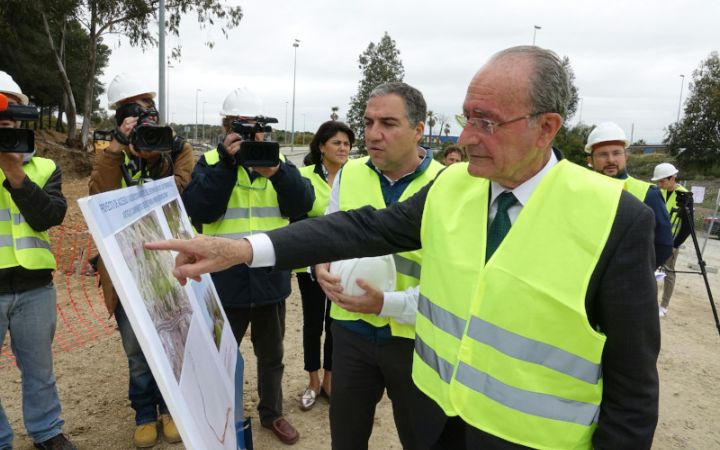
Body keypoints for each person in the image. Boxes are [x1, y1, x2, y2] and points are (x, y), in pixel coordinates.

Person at [149, 46, 661, 449]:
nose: (466, 136)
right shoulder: (454, 187)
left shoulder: (617, 218)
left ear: (546, 127)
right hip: (443, 426)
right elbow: (357, 229)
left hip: (535, 443)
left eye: (486, 122)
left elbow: (633, 386)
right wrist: (242, 248)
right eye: (466, 117)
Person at [181, 87, 313, 446]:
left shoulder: (278, 163)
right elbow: (202, 211)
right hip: (225, 281)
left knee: (272, 355)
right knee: (221, 356)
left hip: (270, 279)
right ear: (226, 127)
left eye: (256, 126)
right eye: (241, 125)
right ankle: (221, 414)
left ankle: (273, 414)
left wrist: (275, 170)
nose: (250, 133)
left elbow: (302, 203)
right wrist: (227, 163)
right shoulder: (210, 163)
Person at [89, 73, 194, 448]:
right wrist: (118, 149)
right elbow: (98, 194)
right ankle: (144, 413)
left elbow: (180, 193)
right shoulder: (110, 156)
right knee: (136, 350)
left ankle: (172, 408)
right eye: (133, 110)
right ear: (120, 119)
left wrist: (158, 156)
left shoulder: (176, 149)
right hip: (124, 269)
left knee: (172, 338)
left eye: (148, 108)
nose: (143, 116)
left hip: (168, 264)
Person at [0, 72, 76, 450]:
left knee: (39, 370)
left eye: (8, 115)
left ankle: (47, 432)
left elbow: (49, 217)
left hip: (34, 287)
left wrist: (14, 171)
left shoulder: (44, 167)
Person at [295, 120, 355, 411]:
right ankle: (313, 381)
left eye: (347, 144)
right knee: (312, 322)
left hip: (343, 264)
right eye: (337, 143)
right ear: (321, 146)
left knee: (335, 323)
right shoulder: (304, 176)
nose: (343, 148)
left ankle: (331, 380)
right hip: (310, 264)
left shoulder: (355, 177)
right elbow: (297, 217)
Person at [585, 122, 673, 268]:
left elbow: (663, 244)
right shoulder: (583, 191)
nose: (611, 160)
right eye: (603, 154)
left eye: (616, 153)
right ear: (590, 160)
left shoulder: (649, 194)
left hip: (627, 282)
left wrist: (637, 275)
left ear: (625, 156)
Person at [652, 162, 691, 317]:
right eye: (658, 181)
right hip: (655, 240)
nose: (660, 184)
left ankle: (664, 306)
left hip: (672, 242)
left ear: (672, 178)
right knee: (651, 272)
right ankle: (651, 303)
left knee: (669, 273)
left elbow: (688, 226)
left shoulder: (685, 195)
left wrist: (675, 244)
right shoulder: (657, 192)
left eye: (663, 181)